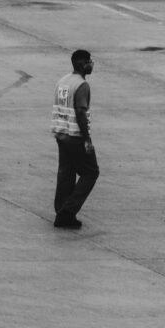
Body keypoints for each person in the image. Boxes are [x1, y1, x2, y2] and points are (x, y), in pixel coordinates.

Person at [51, 49, 99, 229]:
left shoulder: (63, 81)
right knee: (91, 172)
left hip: (61, 134)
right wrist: (87, 139)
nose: (91, 64)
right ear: (81, 64)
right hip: (75, 136)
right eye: (89, 61)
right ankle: (68, 212)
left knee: (66, 173)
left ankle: (61, 210)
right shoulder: (82, 85)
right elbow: (80, 111)